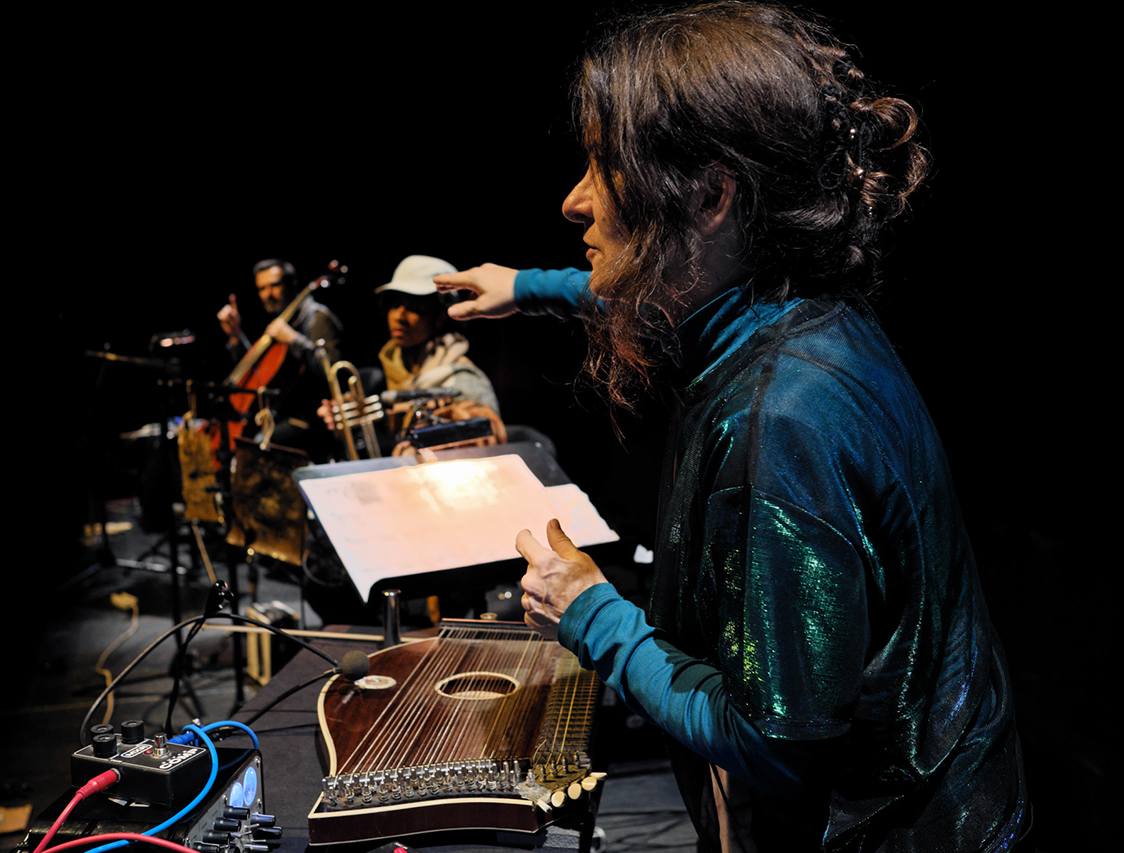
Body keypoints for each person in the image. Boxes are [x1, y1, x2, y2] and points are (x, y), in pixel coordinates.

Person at [434, 4, 1028, 851]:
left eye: (605, 166)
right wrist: (528, 285)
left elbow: (774, 745)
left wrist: (589, 610)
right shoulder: (798, 299)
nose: (573, 200)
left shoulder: (783, 428)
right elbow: (647, 284)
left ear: (710, 195)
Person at [321, 254, 504, 456]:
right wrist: (345, 422)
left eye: (414, 307)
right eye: (394, 304)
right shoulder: (383, 377)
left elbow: (488, 443)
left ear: (440, 317)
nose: (399, 316)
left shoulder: (462, 380)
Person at [217, 258, 343, 457]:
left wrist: (295, 341)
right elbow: (260, 374)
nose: (268, 295)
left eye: (275, 285)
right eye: (262, 289)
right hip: (279, 415)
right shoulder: (281, 321)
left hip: (312, 415)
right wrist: (236, 336)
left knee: (258, 445)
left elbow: (335, 371)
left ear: (292, 283)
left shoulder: (316, 317)